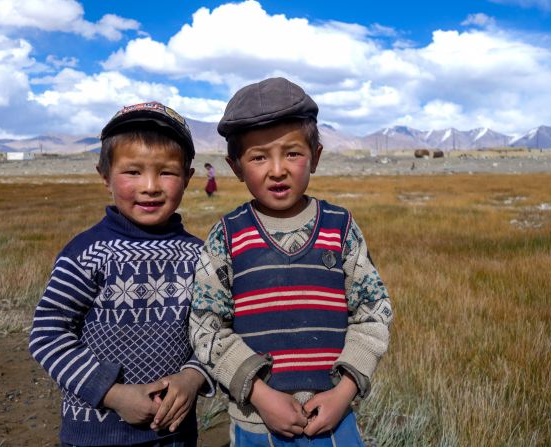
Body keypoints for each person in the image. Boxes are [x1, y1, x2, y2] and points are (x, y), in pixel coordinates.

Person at [189, 77, 393, 446]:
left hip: (335, 423)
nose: (278, 169)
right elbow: (206, 326)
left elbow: (373, 312)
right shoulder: (227, 236)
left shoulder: (341, 228)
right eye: (259, 157)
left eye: (292, 153)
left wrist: (343, 392)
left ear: (315, 155)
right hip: (254, 424)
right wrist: (261, 396)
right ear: (236, 167)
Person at [29, 101, 214, 447]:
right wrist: (112, 394)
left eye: (167, 172)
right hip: (95, 434)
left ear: (188, 179)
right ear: (105, 176)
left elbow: (212, 331)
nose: (150, 186)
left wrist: (191, 378)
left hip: (175, 432)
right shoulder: (87, 254)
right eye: (133, 172)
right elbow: (47, 335)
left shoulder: (200, 256)